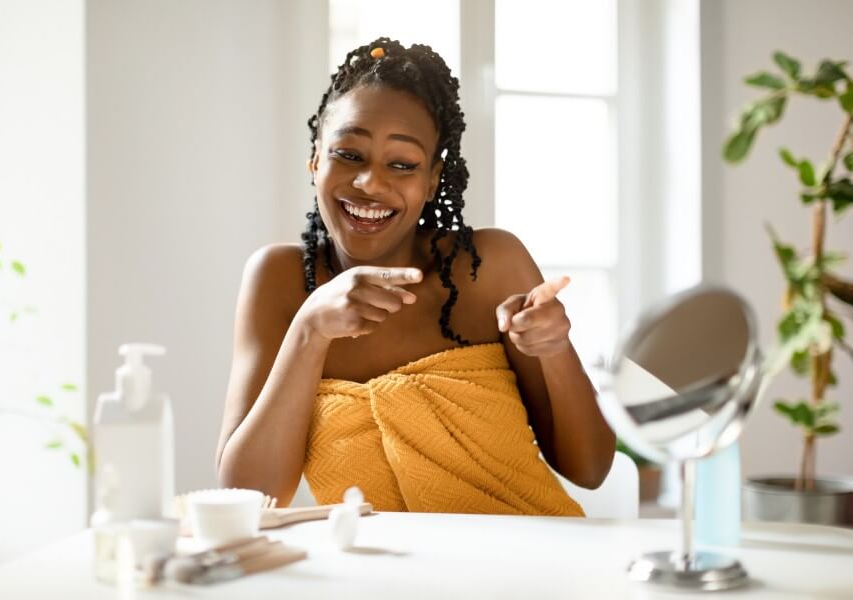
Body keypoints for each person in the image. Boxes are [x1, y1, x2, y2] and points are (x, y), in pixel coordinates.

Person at [216, 38, 615, 514]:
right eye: (349, 154)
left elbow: (590, 469)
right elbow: (249, 499)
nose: (370, 183)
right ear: (315, 160)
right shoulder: (278, 280)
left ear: (431, 180)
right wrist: (309, 330)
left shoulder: (489, 266)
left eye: (402, 165)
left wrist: (554, 349)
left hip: (521, 565)